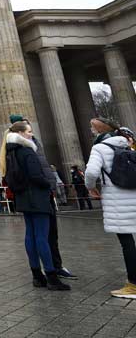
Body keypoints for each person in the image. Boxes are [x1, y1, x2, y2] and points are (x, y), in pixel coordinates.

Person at [1, 120, 70, 291]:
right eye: (29, 131)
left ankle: (37, 276)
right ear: (21, 134)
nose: (31, 134)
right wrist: (48, 184)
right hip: (37, 196)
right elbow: (36, 176)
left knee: (30, 236)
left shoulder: (9, 152)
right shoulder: (27, 151)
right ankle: (52, 276)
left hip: (23, 197)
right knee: (42, 236)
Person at [84, 126, 136, 298]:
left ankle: (133, 285)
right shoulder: (127, 147)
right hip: (133, 195)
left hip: (117, 201)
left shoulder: (99, 148)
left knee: (127, 243)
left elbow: (91, 172)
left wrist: (91, 188)